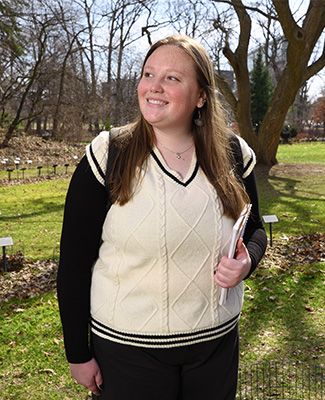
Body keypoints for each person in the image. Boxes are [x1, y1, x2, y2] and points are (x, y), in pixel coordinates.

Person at [57, 34, 267, 400]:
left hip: (215, 347)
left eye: (172, 78)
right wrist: (78, 353)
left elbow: (255, 229)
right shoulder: (110, 154)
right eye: (148, 74)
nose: (154, 87)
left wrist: (248, 260)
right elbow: (73, 263)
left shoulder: (234, 153)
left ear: (201, 95)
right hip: (128, 352)